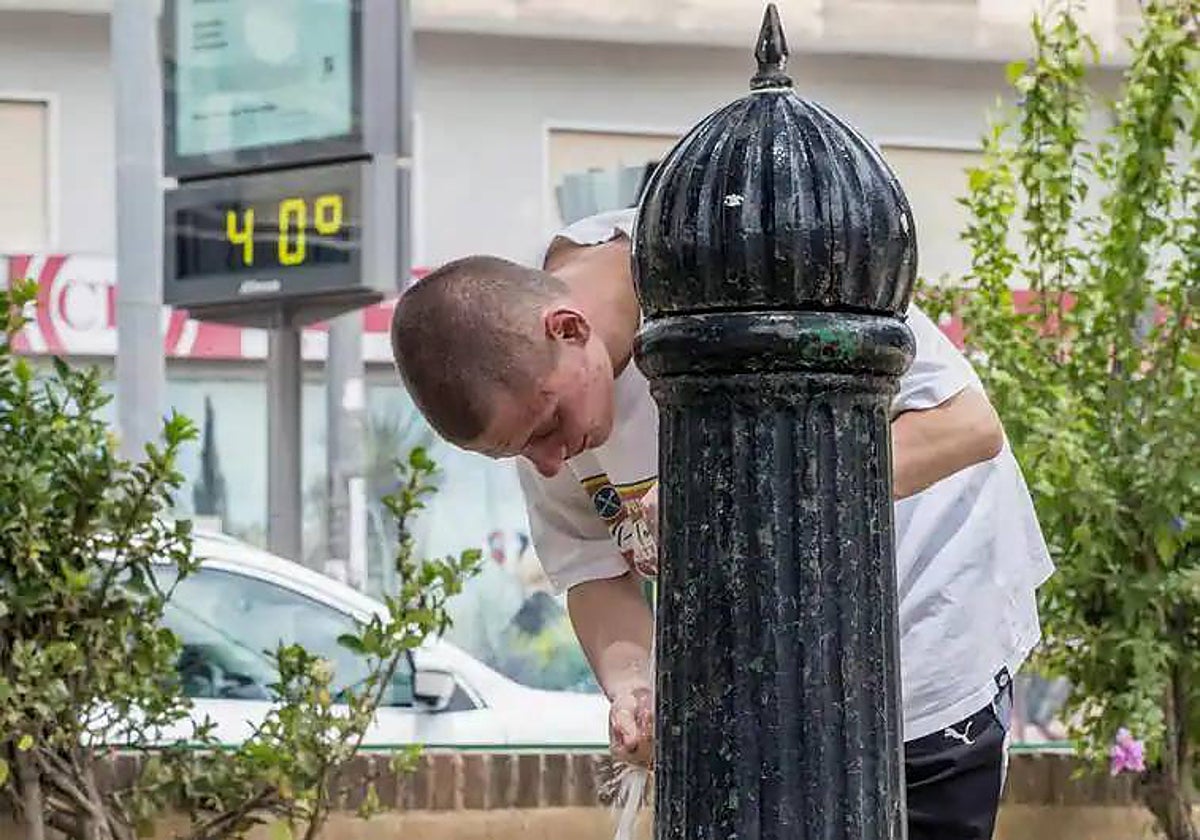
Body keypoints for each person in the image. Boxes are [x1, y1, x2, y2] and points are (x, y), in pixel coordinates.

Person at [390, 208, 1054, 840]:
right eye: (516, 452)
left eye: (545, 429)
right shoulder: (535, 388)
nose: (548, 460)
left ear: (567, 327)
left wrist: (730, 500)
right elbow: (592, 568)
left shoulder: (748, 254)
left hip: (925, 631)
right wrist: (635, 687)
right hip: (761, 684)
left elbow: (966, 427)